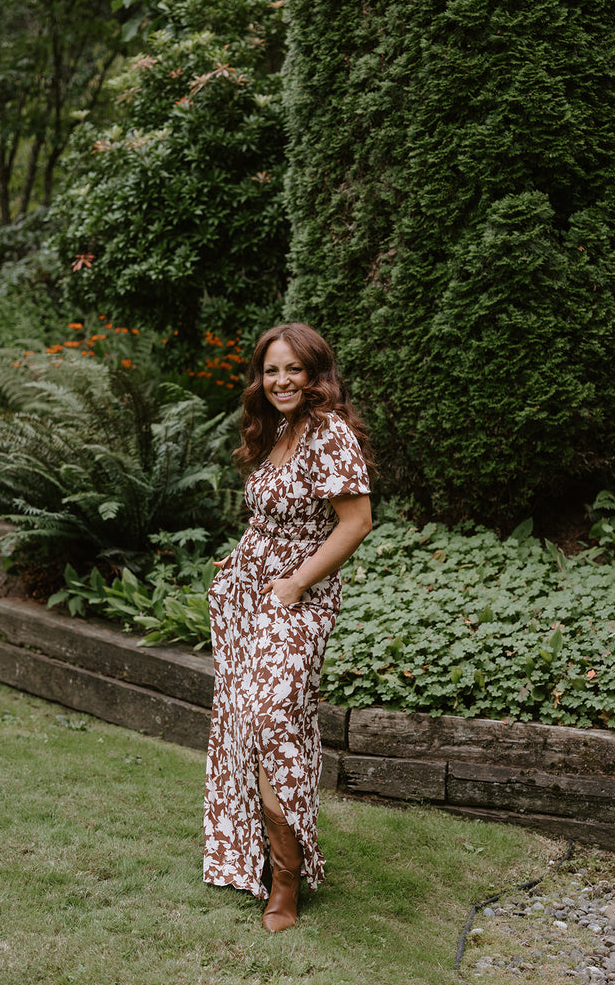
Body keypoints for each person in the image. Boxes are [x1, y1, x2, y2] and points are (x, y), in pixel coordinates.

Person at [203, 322, 374, 932]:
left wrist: (296, 582)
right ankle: (263, 862)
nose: (280, 381)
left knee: (276, 717)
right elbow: (273, 517)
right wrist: (242, 555)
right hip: (248, 595)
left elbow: (355, 523)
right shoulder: (277, 429)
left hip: (297, 601)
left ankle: (286, 878)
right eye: (271, 370)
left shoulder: (330, 433)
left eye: (293, 370)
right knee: (250, 724)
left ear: (316, 374)